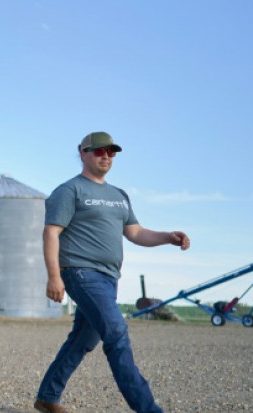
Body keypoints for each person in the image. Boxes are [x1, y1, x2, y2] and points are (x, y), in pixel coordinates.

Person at [33, 132, 190, 413]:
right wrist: (54, 276)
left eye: (111, 152)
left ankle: (47, 397)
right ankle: (148, 409)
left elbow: (136, 233)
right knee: (116, 333)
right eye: (99, 151)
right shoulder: (70, 190)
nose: (105, 156)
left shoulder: (119, 195)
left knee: (82, 340)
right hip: (81, 273)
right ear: (82, 153)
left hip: (109, 278)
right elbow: (51, 233)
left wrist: (168, 237)